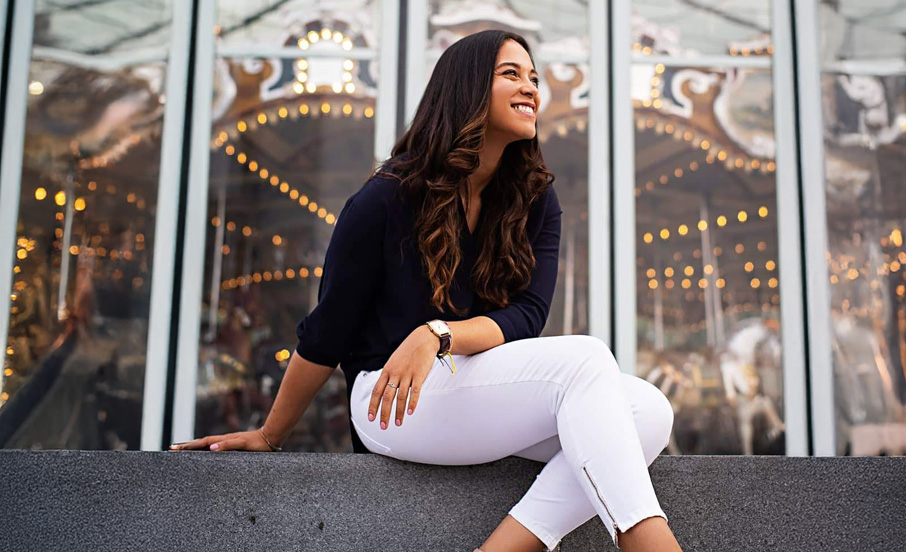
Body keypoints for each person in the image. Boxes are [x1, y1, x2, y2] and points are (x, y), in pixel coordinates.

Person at [170, 30, 681, 552]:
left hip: (474, 391)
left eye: (533, 77)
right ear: (467, 88)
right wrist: (270, 434)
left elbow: (528, 316)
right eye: (511, 74)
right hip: (390, 401)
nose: (530, 87)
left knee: (649, 410)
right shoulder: (385, 198)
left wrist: (437, 334)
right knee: (587, 356)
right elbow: (327, 331)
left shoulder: (534, 200)